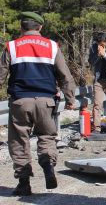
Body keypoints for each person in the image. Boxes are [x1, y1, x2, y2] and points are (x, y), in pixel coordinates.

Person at [0, 12, 76, 196]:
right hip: (46, 101)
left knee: (19, 141)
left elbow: (1, 76)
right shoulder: (52, 46)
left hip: (20, 102)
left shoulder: (11, 47)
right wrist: (70, 99)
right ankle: (48, 165)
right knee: (47, 136)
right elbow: (65, 76)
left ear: (21, 27)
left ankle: (24, 183)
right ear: (40, 27)